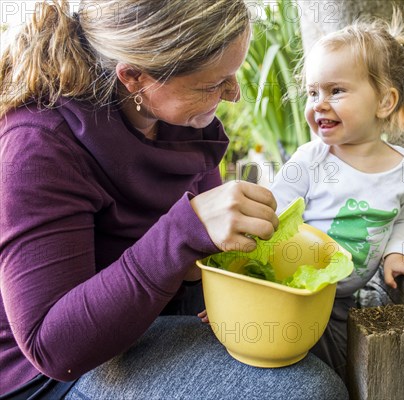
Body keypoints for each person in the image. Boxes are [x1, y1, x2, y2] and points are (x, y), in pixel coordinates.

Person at [0, 1, 348, 399]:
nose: (232, 94)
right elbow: (53, 346)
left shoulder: (179, 119)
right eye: (211, 84)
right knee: (305, 392)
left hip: (156, 318)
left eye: (232, 75)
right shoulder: (38, 145)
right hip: (54, 376)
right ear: (133, 77)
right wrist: (185, 232)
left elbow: (192, 258)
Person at [269, 16, 404, 379]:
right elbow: (271, 218)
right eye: (313, 93)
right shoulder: (311, 160)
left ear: (385, 101)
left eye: (336, 91)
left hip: (341, 302)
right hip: (290, 293)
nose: (319, 104)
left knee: (339, 371)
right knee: (280, 363)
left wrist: (398, 255)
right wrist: (248, 293)